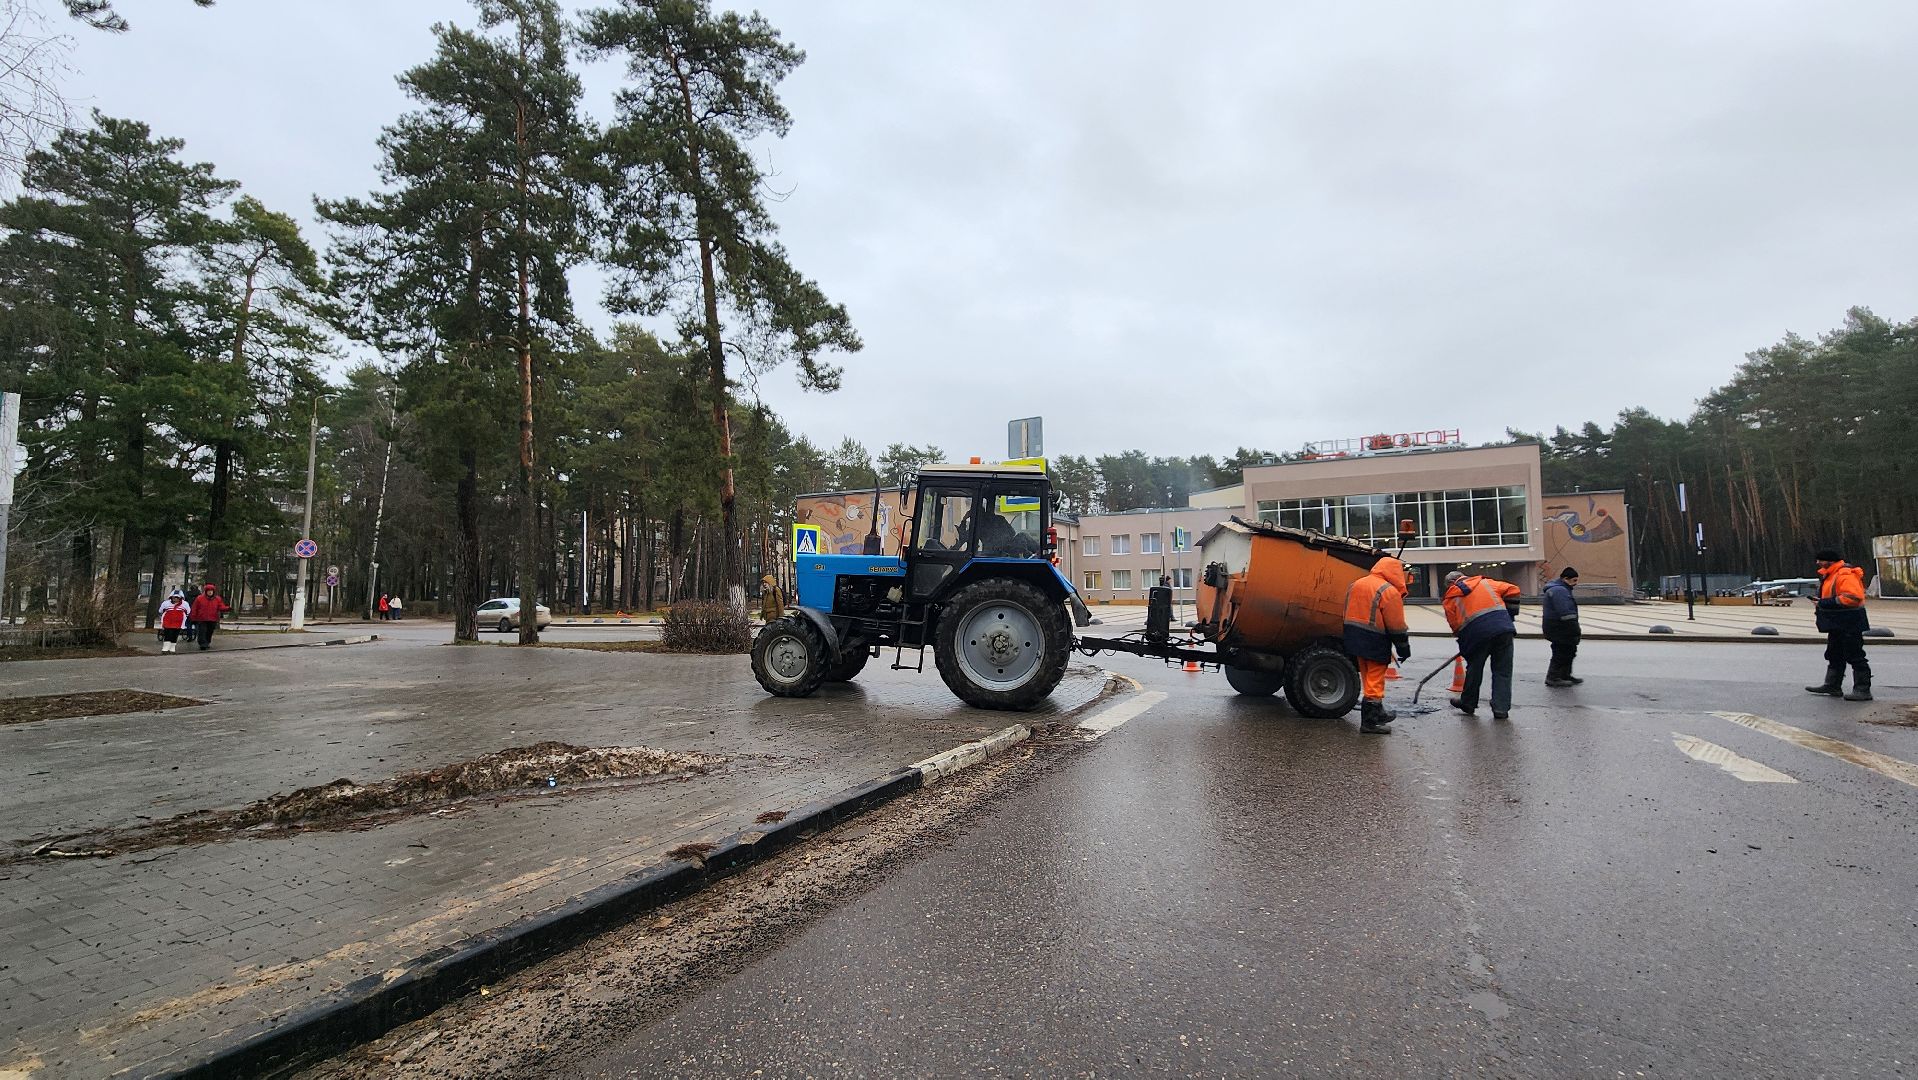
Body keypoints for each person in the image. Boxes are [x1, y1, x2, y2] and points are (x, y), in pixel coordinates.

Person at [1343, 556, 1412, 734]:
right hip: (1374, 639)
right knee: (1375, 680)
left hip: (1353, 636)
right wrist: (1403, 647)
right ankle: (1370, 722)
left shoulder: (1357, 584)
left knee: (1367, 677)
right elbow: (1396, 625)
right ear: (1395, 572)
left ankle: (1378, 712)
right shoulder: (1388, 591)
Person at [1443, 570, 1521, 720]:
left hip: (1476, 636)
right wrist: (1510, 615)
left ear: (1451, 584)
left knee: (1474, 669)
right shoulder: (1487, 583)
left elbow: (1455, 626)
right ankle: (1501, 709)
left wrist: (1463, 643)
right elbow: (1514, 590)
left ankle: (1468, 703)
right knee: (1502, 671)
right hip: (1503, 630)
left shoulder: (1450, 598)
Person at [1806, 546, 1870, 701]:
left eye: (1820, 560)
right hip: (1838, 622)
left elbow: (1853, 598)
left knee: (1855, 655)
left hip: (1849, 621)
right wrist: (1822, 603)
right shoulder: (1831, 575)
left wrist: (1824, 603)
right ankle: (1832, 685)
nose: (1818, 563)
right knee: (1834, 654)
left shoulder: (1844, 574)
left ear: (1829, 561)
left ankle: (1863, 689)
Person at [1542, 567, 1582, 688]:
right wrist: (1574, 628)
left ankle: (1564, 675)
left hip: (1558, 625)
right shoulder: (1559, 591)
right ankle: (1553, 677)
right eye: (1574, 580)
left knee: (1569, 650)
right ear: (1565, 579)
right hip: (1559, 626)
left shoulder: (1561, 589)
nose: (1576, 583)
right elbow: (1565, 611)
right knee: (1561, 652)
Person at [188, 582, 230, 651]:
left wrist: (227, 608)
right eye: (209, 591)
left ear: (213, 592)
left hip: (212, 618)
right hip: (202, 618)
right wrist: (193, 617)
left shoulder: (217, 599)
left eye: (211, 591)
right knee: (202, 632)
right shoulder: (199, 598)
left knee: (209, 632)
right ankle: (202, 644)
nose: (210, 592)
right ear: (206, 591)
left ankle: (207, 642)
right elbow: (194, 608)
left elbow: (221, 607)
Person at [157, 589, 191, 654]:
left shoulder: (185, 604)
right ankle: (165, 649)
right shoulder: (166, 603)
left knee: (175, 635)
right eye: (174, 597)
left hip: (178, 623)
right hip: (167, 622)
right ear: (171, 597)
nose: (175, 599)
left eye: (177, 597)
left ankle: (172, 648)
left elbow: (188, 612)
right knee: (168, 635)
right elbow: (161, 611)